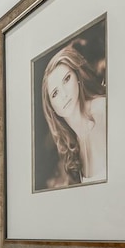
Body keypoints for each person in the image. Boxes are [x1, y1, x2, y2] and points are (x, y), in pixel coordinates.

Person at [41, 41, 106, 188]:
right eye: (55, 93)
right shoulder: (74, 143)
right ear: (52, 108)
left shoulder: (102, 111)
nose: (63, 95)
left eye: (66, 79)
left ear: (78, 77)